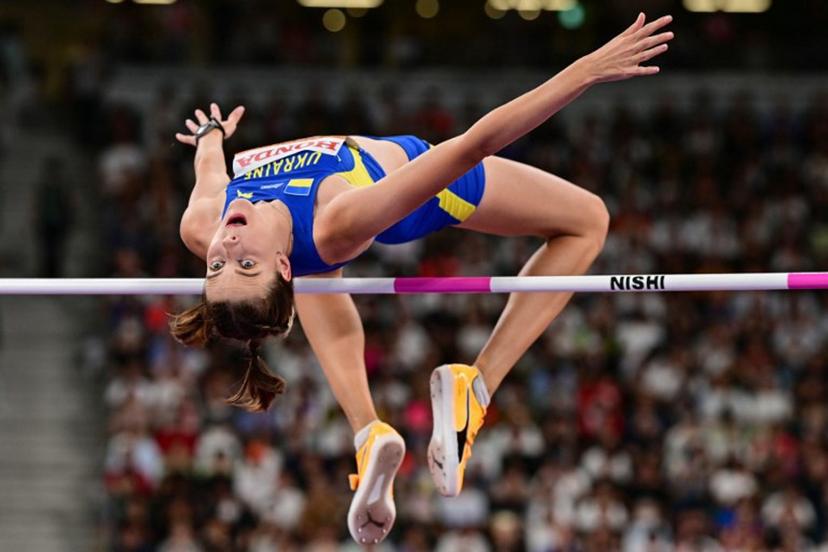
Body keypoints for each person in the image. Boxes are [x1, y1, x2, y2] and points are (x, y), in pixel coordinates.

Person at [169, 13, 673, 545]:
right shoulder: (338, 221)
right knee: (588, 221)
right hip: (417, 185)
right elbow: (473, 145)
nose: (226, 249)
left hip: (313, 244)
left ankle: (369, 433)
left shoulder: (203, 227)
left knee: (321, 287)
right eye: (245, 264)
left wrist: (210, 135)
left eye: (218, 267)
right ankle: (476, 388)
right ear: (281, 266)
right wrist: (585, 71)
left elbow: (210, 171)